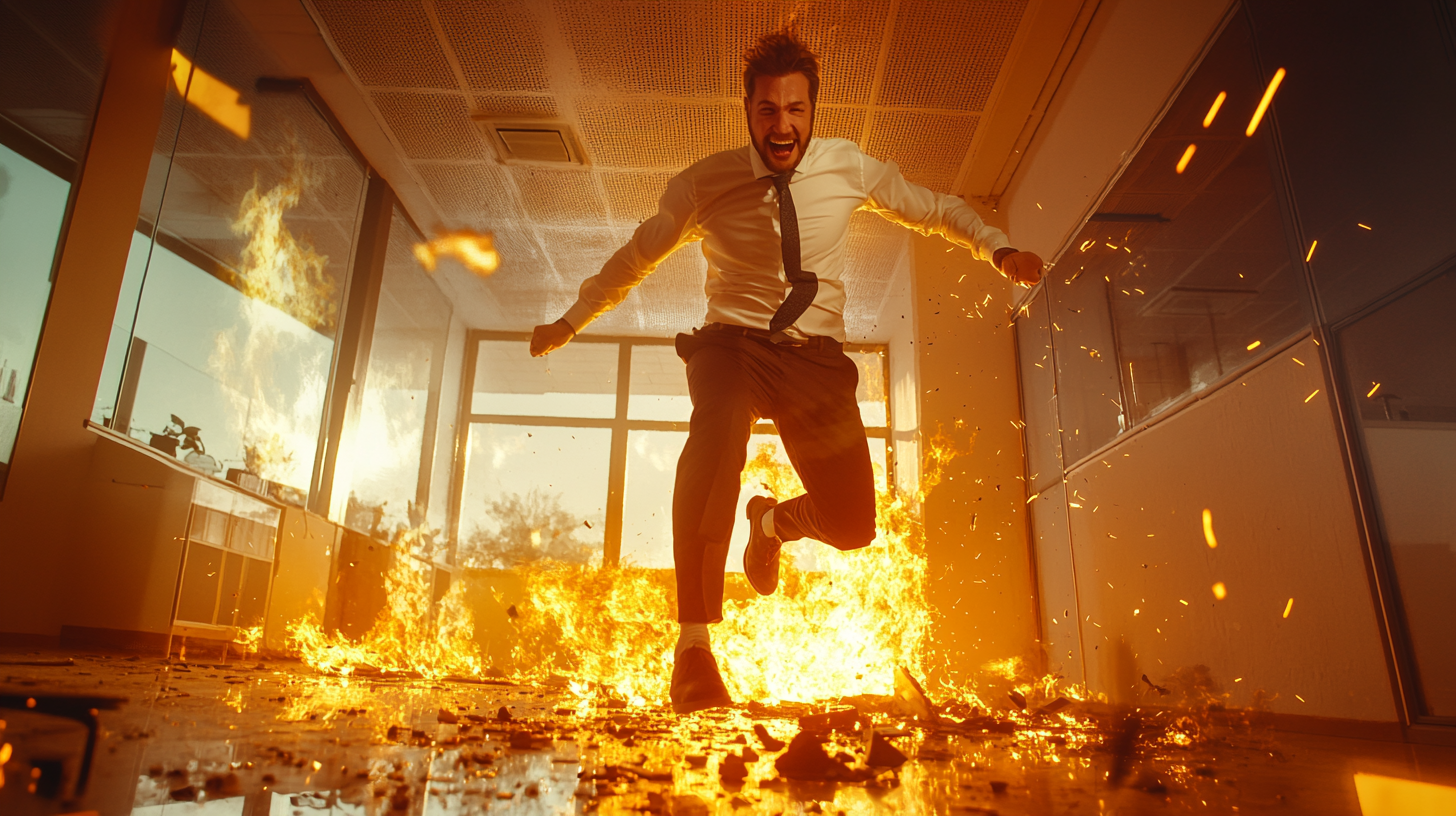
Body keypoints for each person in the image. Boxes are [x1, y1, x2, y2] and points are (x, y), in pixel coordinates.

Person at [530, 29, 1043, 714]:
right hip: (732, 350)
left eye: (795, 110)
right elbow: (636, 256)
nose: (782, 126)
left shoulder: (848, 167)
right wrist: (572, 319)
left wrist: (997, 248)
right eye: (768, 110)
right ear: (747, 109)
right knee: (715, 442)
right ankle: (692, 650)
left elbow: (937, 209)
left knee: (855, 523)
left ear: (813, 112)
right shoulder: (705, 183)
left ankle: (769, 524)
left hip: (815, 362)